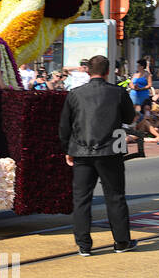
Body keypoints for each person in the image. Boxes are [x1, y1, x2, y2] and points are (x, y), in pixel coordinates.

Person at [59, 55, 137, 256]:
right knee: (115, 196)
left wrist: (68, 149)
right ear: (108, 71)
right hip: (110, 150)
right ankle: (121, 241)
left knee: (82, 199)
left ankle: (84, 245)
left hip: (81, 151)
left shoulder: (75, 94)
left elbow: (64, 126)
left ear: (87, 70)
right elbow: (129, 117)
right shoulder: (118, 92)